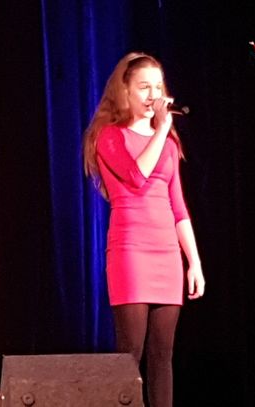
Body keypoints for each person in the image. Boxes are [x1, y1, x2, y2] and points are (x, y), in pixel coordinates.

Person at [83, 52, 205, 407]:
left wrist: (193, 262)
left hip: (167, 254)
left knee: (163, 355)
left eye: (158, 87)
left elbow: (178, 207)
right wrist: (163, 129)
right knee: (130, 352)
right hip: (131, 251)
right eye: (144, 87)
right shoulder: (109, 136)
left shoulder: (168, 144)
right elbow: (136, 176)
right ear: (125, 91)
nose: (153, 95)